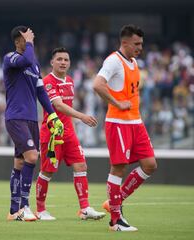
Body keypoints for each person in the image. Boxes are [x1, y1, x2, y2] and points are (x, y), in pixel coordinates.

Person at [93, 24, 157, 231]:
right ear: (125, 42)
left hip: (136, 123)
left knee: (150, 165)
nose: (140, 47)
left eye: (141, 44)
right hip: (118, 123)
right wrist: (117, 103)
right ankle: (115, 220)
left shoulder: (134, 62)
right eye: (136, 44)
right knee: (118, 168)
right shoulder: (113, 60)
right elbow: (97, 84)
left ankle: (115, 201)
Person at [35, 47, 106, 221]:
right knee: (47, 171)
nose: (63, 62)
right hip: (52, 134)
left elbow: (65, 109)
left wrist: (75, 121)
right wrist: (82, 116)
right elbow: (58, 106)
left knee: (81, 166)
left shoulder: (70, 81)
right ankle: (40, 210)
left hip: (69, 133)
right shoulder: (47, 81)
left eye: (66, 60)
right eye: (59, 59)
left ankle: (85, 209)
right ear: (52, 62)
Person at [3, 26, 64, 221]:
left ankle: (14, 211)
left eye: (31, 39)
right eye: (26, 39)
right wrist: (29, 43)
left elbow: (41, 92)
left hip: (31, 119)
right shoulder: (11, 58)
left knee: (20, 162)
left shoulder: (35, 65)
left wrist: (53, 116)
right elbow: (26, 59)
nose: (30, 42)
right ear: (17, 41)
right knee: (32, 157)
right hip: (15, 117)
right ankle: (25, 205)